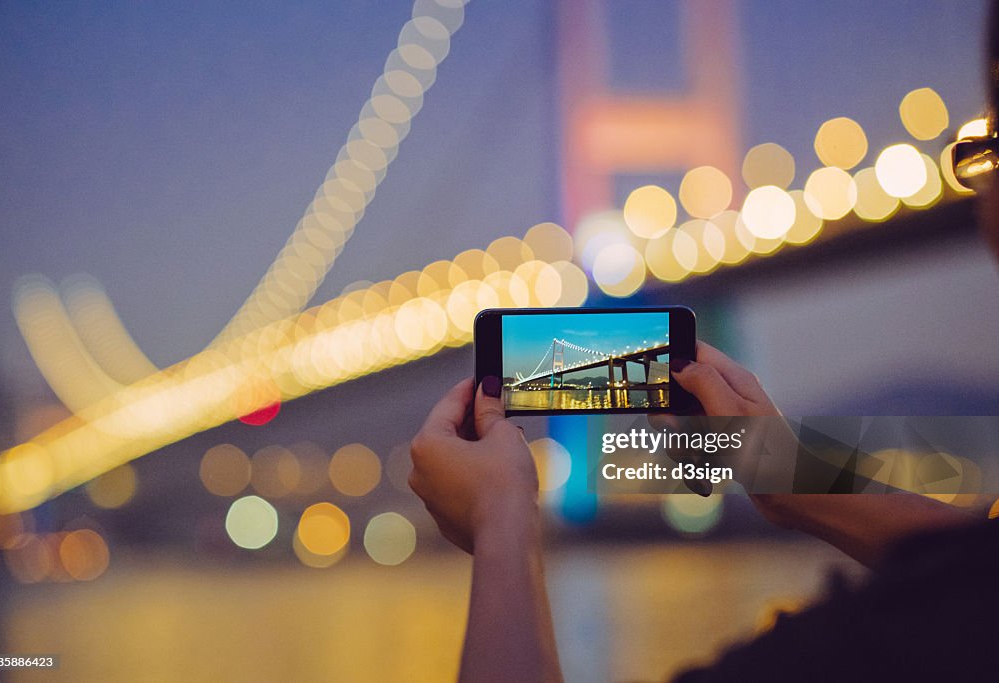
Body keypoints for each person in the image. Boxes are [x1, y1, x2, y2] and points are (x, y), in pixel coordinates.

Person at [409, 3, 999, 681]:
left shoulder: (867, 650)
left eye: (981, 149)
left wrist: (502, 523)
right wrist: (788, 475)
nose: (976, 181)